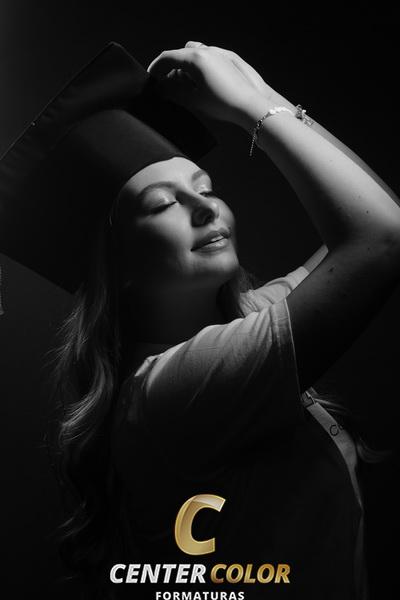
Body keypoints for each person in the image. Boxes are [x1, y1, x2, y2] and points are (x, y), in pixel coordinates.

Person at [1, 41, 399, 600]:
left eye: (205, 188)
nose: (207, 208)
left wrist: (263, 94)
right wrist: (248, 105)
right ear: (119, 265)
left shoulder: (244, 321)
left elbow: (376, 216)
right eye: (165, 204)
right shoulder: (176, 386)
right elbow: (379, 240)